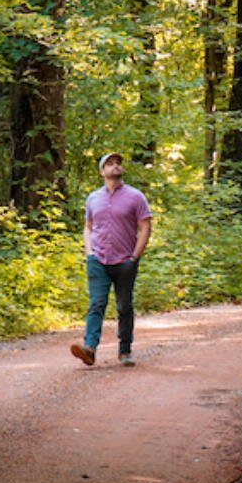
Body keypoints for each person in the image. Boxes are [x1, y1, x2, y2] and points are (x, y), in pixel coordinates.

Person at [74, 152, 152, 367]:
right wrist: (89, 253)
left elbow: (145, 226)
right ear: (102, 171)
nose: (115, 166)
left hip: (125, 260)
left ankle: (125, 350)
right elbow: (88, 227)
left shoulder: (136, 196)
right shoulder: (93, 198)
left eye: (118, 163)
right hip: (98, 259)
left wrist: (134, 257)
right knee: (96, 303)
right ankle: (89, 348)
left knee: (124, 305)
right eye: (110, 163)